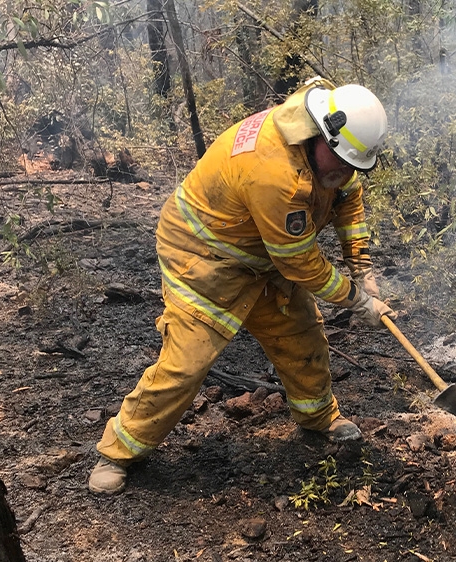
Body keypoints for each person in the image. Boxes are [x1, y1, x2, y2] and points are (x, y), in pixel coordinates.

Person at [88, 78, 395, 495]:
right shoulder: (273, 173)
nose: (343, 173)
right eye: (339, 163)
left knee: (302, 335)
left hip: (261, 253)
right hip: (203, 255)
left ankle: (318, 416)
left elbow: (348, 199)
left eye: (352, 166)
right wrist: (358, 301)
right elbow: (300, 263)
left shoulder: (331, 144)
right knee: (187, 364)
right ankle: (118, 450)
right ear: (322, 132)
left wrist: (362, 268)